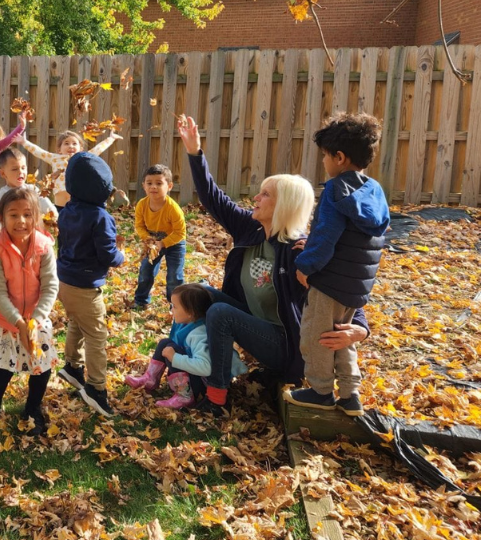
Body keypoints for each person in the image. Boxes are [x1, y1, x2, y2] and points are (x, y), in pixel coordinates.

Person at [176, 116, 371, 417]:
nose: (256, 198)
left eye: (265, 194)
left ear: (284, 205)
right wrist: (194, 153)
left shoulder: (300, 250)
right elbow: (213, 199)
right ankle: (185, 364)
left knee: (221, 312)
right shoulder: (251, 228)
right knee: (196, 293)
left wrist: (360, 328)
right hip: (255, 324)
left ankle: (216, 397)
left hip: (286, 345)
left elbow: (338, 290)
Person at [285, 112, 390, 417]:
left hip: (329, 282)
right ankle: (350, 394)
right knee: (342, 337)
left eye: (325, 155)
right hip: (356, 285)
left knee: (316, 336)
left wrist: (305, 265)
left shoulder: (335, 190)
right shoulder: (374, 190)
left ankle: (320, 391)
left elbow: (327, 236)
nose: (323, 161)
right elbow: (352, 236)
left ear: (340, 158)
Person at [0, 188, 60, 436]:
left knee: (41, 367)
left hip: (37, 320)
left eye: (27, 214)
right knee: (2, 369)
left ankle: (33, 409)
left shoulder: (44, 247)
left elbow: (50, 286)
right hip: (6, 320)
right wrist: (17, 321)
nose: (21, 221)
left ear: (36, 216)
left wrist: (35, 320)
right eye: (13, 215)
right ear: (1, 217)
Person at [55, 152, 125, 417]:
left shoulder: (67, 211)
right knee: (96, 335)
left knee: (77, 321)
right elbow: (107, 254)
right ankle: (96, 388)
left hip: (65, 280)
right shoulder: (100, 217)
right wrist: (121, 257)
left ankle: (72, 367)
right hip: (85, 286)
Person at [125, 284, 247, 409]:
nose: (171, 310)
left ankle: (184, 396)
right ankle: (150, 379)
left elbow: (206, 367)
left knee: (173, 351)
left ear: (190, 313)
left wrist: (175, 358)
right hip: (197, 376)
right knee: (165, 343)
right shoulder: (187, 323)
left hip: (205, 383)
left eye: (175, 307)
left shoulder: (199, 334)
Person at [16, 130, 121, 209]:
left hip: (77, 204)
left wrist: (110, 138)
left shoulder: (82, 159)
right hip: (59, 204)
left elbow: (98, 149)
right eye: (66, 143)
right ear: (59, 149)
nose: (71, 146)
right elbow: (38, 152)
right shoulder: (54, 158)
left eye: (74, 143)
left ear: (81, 149)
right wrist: (24, 142)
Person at [133, 164, 187, 309]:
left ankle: (176, 306)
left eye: (159, 183)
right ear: (144, 186)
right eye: (149, 183)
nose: (153, 187)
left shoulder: (173, 209)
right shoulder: (142, 205)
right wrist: (148, 239)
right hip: (152, 242)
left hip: (174, 242)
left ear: (169, 186)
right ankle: (141, 301)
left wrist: (163, 243)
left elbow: (180, 232)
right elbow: (139, 226)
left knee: (174, 277)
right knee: (145, 271)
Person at [0, 147, 57, 221]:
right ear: (3, 173)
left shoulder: (32, 189)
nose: (20, 172)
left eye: (23, 168)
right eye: (15, 169)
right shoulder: (2, 194)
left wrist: (53, 214)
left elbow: (45, 203)